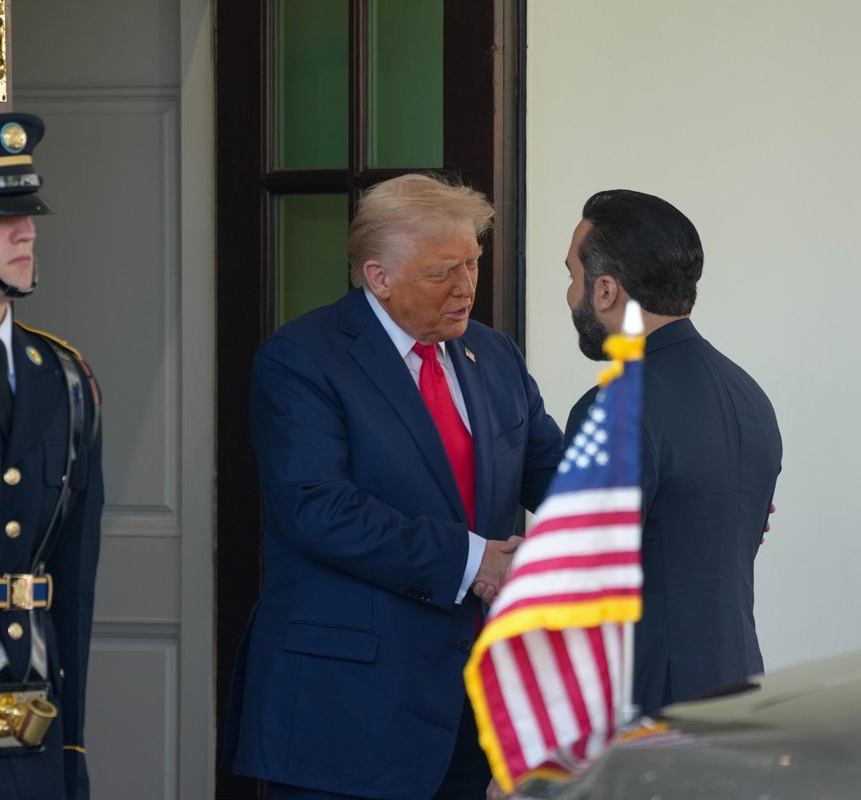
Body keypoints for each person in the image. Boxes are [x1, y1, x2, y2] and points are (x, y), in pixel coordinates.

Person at [222, 173, 564, 800]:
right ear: (378, 277)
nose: (466, 286)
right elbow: (318, 508)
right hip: (348, 713)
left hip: (473, 713)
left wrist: (663, 501)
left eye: (472, 262)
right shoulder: (302, 358)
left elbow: (552, 471)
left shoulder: (494, 355)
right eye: (442, 272)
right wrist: (476, 561)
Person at [564, 190, 781, 716]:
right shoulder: (749, 394)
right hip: (739, 686)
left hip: (645, 702)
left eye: (573, 276)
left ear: (606, 290)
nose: (570, 295)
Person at [0, 113, 104, 800]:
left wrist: (72, 745)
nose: (27, 231)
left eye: (29, 214)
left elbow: (73, 576)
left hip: (30, 696)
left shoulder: (66, 378)